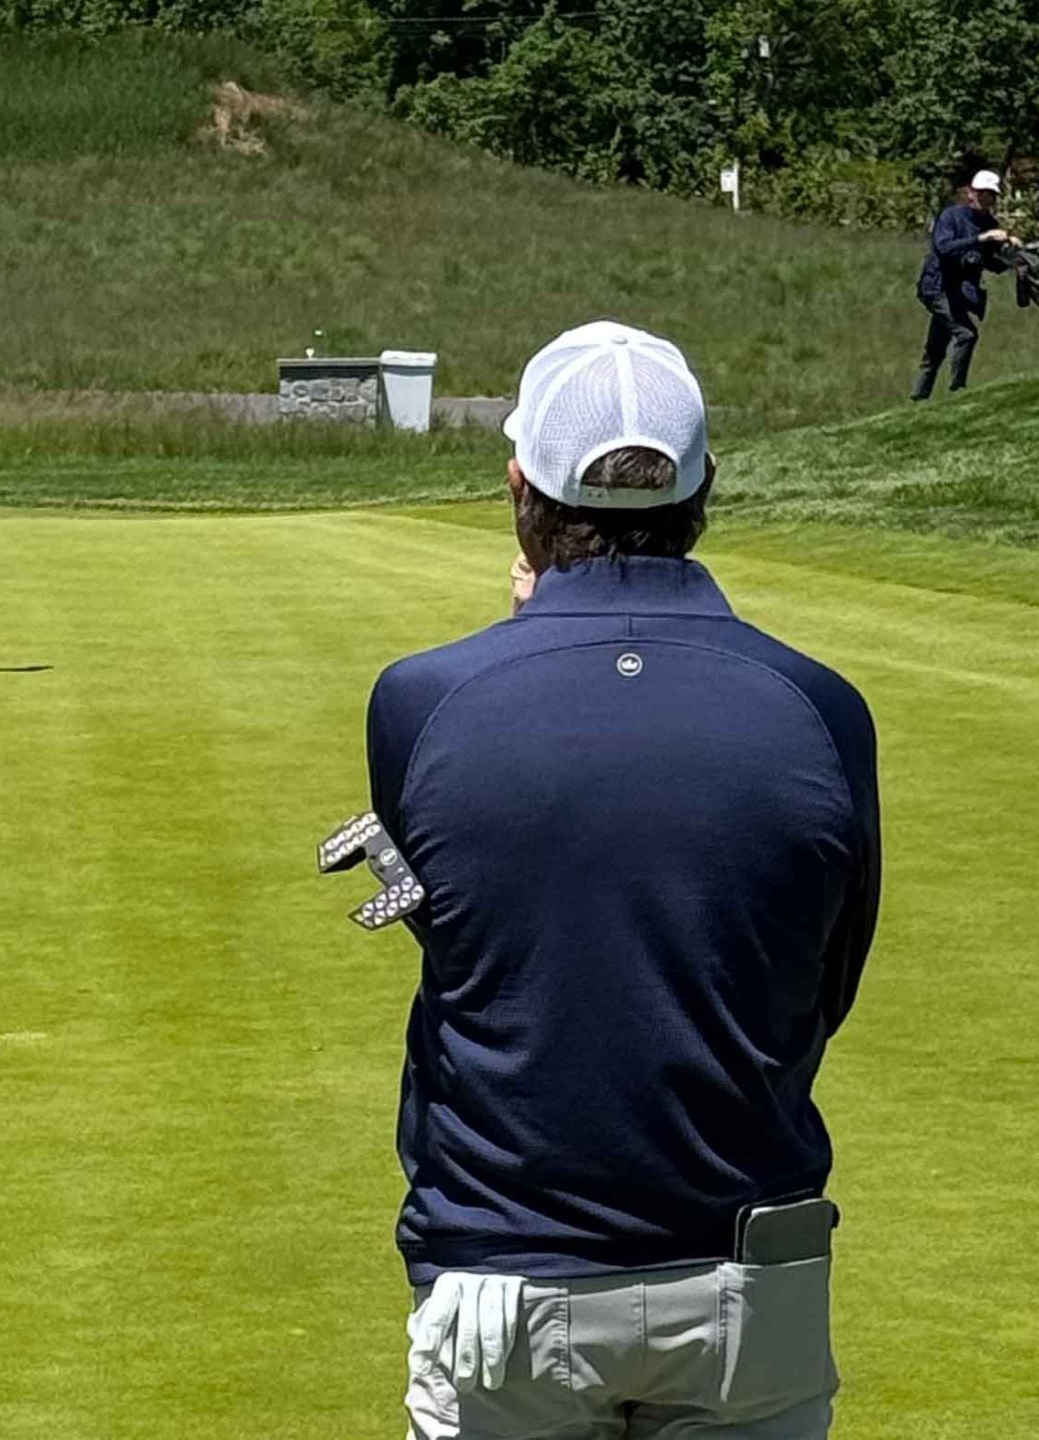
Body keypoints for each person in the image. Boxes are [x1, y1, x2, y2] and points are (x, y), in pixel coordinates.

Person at [364, 322, 881, 1439]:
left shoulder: (417, 704)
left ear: (519, 491)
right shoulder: (822, 710)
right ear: (706, 493)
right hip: (751, 1281)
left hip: (506, 1272)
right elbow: (821, 985)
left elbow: (481, 950)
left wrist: (528, 638)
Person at [912, 169, 1015, 400]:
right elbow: (944, 247)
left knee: (935, 349)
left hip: (958, 292)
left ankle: (918, 398)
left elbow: (990, 261)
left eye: (991, 195)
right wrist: (980, 239)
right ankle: (958, 391)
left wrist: (1011, 256)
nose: (986, 199)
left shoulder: (989, 223)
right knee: (966, 334)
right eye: (982, 193)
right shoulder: (951, 216)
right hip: (938, 287)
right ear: (970, 193)